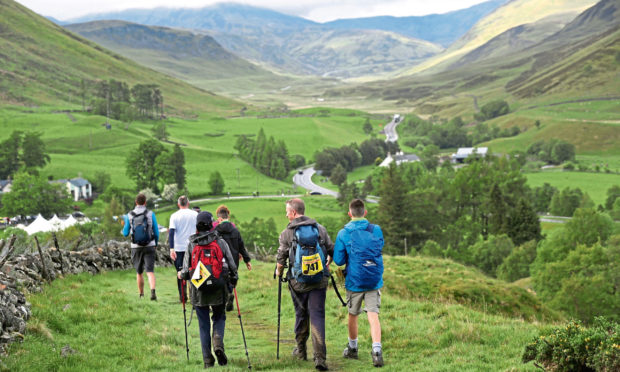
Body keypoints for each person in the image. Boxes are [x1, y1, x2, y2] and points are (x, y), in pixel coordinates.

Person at [275, 198, 333, 371]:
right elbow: (331, 250)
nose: (286, 214)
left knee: (301, 314)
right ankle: (320, 358)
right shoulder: (319, 229)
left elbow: (281, 257)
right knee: (317, 315)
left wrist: (278, 271)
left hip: (298, 282)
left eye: (287, 211)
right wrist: (327, 262)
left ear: (293, 213)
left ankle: (301, 352)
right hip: (319, 281)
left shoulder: (287, 233)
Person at [178, 211, 239, 368]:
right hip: (219, 287)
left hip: (199, 291)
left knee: (203, 324)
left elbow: (185, 271)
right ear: (211, 224)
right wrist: (233, 279)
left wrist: (181, 274)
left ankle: (208, 361)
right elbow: (232, 266)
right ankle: (218, 341)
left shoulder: (192, 243)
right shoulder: (220, 242)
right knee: (219, 317)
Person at [333, 199, 385, 367]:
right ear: (365, 212)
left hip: (354, 281)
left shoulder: (343, 233)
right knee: (373, 315)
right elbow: (379, 248)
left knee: (353, 314)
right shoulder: (376, 230)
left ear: (350, 213)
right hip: (373, 280)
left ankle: (353, 348)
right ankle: (377, 351)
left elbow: (339, 261)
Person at [214, 205, 252, 311]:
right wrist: (247, 260)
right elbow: (241, 246)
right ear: (228, 217)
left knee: (222, 279)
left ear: (219, 218)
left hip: (220, 260)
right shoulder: (235, 231)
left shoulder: (216, 231)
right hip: (234, 260)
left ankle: (226, 297)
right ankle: (230, 292)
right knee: (232, 278)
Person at [122, 193, 160, 300]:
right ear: (145, 202)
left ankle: (141, 295)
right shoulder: (150, 214)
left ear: (136, 202)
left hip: (136, 246)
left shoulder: (129, 215)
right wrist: (155, 244)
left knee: (139, 272)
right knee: (150, 271)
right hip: (150, 245)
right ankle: (152, 292)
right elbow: (156, 232)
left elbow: (125, 233)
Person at [169, 195, 198, 302]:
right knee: (194, 271)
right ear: (188, 203)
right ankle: (194, 296)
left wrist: (172, 249)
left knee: (180, 272)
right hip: (193, 247)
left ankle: (182, 296)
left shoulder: (174, 216)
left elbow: (171, 233)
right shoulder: (195, 214)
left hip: (179, 248)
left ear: (178, 204)